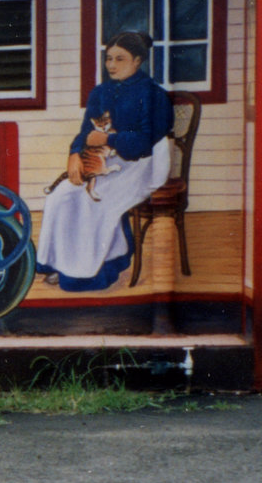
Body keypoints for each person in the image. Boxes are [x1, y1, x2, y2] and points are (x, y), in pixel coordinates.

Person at [37, 30, 178, 291]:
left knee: (95, 201)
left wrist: (108, 141)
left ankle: (99, 271)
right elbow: (84, 131)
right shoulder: (100, 92)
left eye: (120, 59)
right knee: (61, 196)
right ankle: (62, 264)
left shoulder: (154, 95)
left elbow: (145, 141)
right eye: (108, 59)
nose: (111, 65)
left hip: (141, 164)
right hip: (106, 162)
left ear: (137, 60)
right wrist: (74, 155)